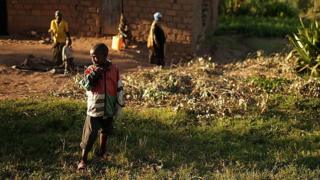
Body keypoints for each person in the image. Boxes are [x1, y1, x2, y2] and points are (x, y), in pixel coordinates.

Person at [77, 43, 124, 170]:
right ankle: (83, 160)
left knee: (105, 131)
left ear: (105, 56)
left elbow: (118, 87)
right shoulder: (90, 69)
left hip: (109, 107)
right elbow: (86, 86)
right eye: (92, 57)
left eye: (96, 57)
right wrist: (93, 76)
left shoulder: (114, 69)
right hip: (94, 109)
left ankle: (102, 152)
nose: (93, 60)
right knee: (90, 134)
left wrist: (119, 104)